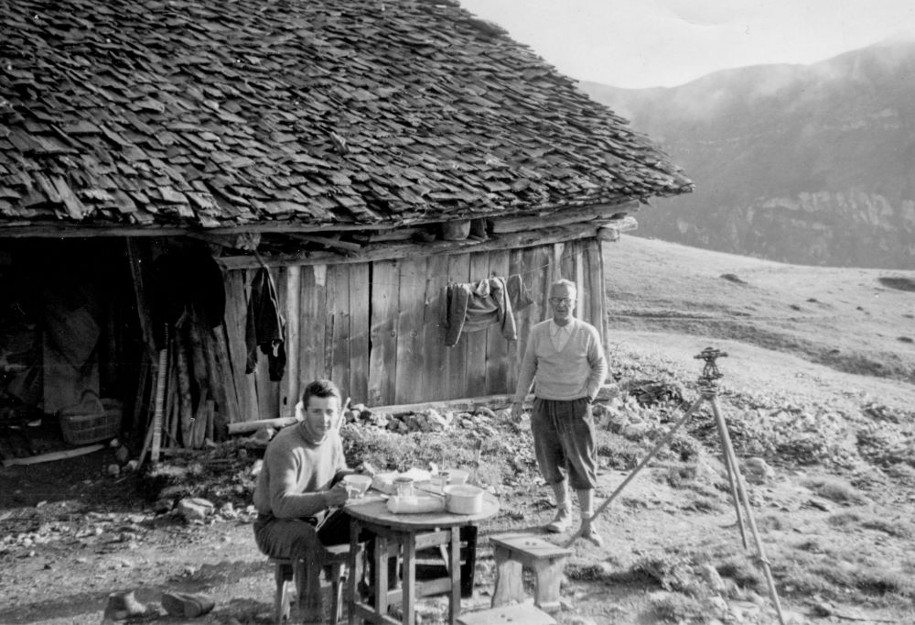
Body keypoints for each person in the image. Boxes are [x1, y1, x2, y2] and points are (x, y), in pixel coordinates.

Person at [252, 379, 372, 619]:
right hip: (274, 524)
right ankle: (312, 618)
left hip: (319, 518)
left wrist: (357, 474)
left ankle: (381, 606)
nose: (324, 419)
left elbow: (338, 472)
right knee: (304, 539)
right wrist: (328, 498)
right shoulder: (286, 445)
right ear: (304, 412)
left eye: (330, 412)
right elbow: (282, 505)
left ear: (338, 413)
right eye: (316, 412)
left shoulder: (333, 438)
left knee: (375, 523)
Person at [511, 279, 608, 546]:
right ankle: (563, 512)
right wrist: (519, 401)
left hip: (576, 406)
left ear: (575, 303)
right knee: (549, 460)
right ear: (549, 302)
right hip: (544, 405)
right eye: (556, 300)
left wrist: (589, 393)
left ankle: (588, 522)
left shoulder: (587, 333)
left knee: (582, 461)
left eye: (567, 300)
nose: (562, 304)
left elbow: (600, 365)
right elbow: (528, 366)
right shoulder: (539, 332)